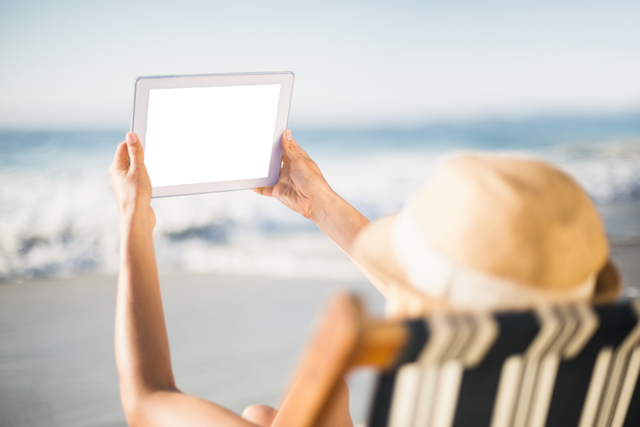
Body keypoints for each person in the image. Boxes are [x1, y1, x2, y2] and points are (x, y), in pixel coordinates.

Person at [109, 129, 620, 427]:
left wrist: (135, 217)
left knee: (280, 413)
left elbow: (147, 397)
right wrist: (318, 203)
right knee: (279, 412)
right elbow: (439, 298)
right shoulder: (587, 381)